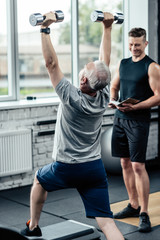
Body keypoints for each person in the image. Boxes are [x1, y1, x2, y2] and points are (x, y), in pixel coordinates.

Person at [21, 11, 126, 240]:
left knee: (39, 179)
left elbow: (50, 64)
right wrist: (107, 28)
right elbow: (104, 63)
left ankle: (33, 226)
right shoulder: (102, 91)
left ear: (83, 80)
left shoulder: (71, 96)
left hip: (67, 167)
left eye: (85, 69)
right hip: (93, 168)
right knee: (107, 222)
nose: (85, 67)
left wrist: (45, 28)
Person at [108, 27, 160, 233]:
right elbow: (114, 86)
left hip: (138, 121)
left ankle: (144, 212)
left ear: (145, 44)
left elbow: (158, 95)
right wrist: (113, 100)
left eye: (137, 45)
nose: (133, 48)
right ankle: (133, 204)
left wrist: (136, 106)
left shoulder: (152, 66)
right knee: (125, 163)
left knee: (138, 166)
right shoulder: (123, 63)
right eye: (130, 44)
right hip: (120, 118)